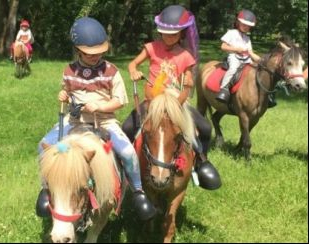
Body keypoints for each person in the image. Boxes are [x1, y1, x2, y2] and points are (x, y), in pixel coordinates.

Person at [35, 17, 156, 221]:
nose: (96, 56)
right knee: (42, 147)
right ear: (78, 50)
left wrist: (100, 106)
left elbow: (119, 101)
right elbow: (67, 90)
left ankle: (138, 191)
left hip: (105, 121)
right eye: (90, 53)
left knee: (127, 152)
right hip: (74, 121)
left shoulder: (111, 71)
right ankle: (47, 188)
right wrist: (63, 95)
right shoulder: (69, 70)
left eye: (100, 51)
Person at [122, 5, 221, 190]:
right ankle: (124, 164)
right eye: (165, 34)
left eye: (174, 34)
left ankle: (201, 162)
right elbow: (133, 63)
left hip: (176, 101)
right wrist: (134, 70)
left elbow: (188, 77)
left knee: (205, 127)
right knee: (127, 126)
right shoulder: (151, 47)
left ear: (181, 34)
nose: (169, 37)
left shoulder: (186, 56)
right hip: (153, 101)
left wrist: (189, 81)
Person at [216, 10, 264, 105]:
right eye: (244, 24)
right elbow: (223, 46)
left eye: (248, 26)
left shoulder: (247, 38)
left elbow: (251, 53)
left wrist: (261, 60)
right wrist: (236, 49)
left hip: (246, 59)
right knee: (233, 68)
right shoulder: (231, 33)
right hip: (234, 56)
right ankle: (224, 88)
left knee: (256, 69)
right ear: (238, 23)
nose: (246, 27)